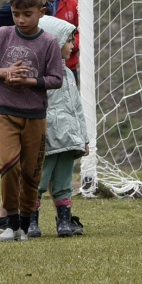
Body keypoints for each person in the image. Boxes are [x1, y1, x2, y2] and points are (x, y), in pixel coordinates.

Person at [0, 0, 78, 234]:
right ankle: (7, 216)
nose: (21, 18)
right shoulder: (21, 9)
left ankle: (53, 213)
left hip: (45, 91)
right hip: (17, 98)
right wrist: (6, 68)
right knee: (14, 161)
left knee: (44, 155)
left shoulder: (51, 9)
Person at [31, 15, 88, 237]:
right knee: (38, 181)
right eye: (69, 40)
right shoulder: (41, 75)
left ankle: (64, 221)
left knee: (64, 182)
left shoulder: (69, 74)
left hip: (68, 141)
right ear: (54, 42)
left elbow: (77, 109)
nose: (73, 45)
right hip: (47, 140)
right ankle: (31, 222)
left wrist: (83, 138)